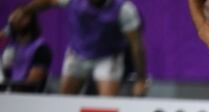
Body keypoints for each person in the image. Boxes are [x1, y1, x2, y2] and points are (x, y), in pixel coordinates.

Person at [9, 0, 147, 96]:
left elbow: (136, 46)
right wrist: (25, 10)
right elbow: (50, 1)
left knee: (109, 104)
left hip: (108, 57)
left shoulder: (125, 9)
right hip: (77, 54)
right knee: (65, 102)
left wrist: (141, 79)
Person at [0, 11, 50, 92]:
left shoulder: (41, 48)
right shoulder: (10, 48)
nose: (18, 22)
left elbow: (32, 82)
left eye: (22, 19)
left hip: (28, 96)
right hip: (8, 92)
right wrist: (6, 30)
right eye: (14, 20)